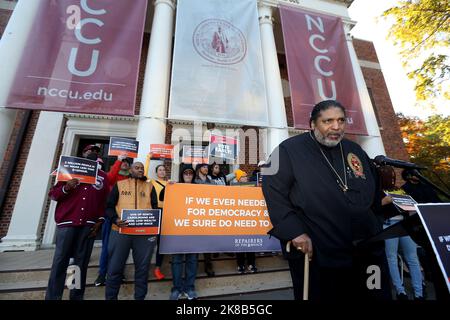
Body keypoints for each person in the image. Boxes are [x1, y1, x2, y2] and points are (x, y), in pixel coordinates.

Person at [262, 100, 391, 301]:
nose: (336, 127)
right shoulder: (286, 150)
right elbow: (272, 192)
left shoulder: (355, 150)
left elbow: (372, 192)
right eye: (328, 121)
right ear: (312, 124)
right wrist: (294, 231)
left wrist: (392, 204)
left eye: (341, 120)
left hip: (366, 250)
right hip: (320, 251)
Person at [45, 144, 109, 300]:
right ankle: (54, 296)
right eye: (89, 150)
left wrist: (99, 221)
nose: (93, 153)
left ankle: (75, 296)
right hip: (67, 223)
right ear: (83, 153)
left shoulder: (103, 176)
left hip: (88, 225)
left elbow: (104, 201)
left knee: (80, 264)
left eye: (96, 151)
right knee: (61, 262)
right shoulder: (68, 170)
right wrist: (66, 188)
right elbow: (53, 195)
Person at [105, 162, 157, 300]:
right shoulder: (119, 185)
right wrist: (115, 219)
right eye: (137, 167)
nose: (140, 169)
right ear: (130, 170)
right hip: (120, 231)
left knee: (142, 270)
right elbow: (109, 207)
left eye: (141, 168)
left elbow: (156, 209)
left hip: (144, 234)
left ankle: (139, 297)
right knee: (114, 269)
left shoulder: (149, 186)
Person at [378, 166, 424, 300]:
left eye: (393, 175)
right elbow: (374, 207)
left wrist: (410, 206)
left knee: (412, 258)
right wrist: (384, 201)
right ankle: (400, 291)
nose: (392, 178)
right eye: (388, 175)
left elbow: (409, 208)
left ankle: (419, 292)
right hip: (387, 225)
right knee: (391, 258)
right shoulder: (377, 191)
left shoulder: (399, 190)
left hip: (404, 225)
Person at [94, 154, 130, 287]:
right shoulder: (112, 176)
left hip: (124, 218)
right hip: (111, 218)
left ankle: (119, 273)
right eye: (123, 162)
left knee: (122, 249)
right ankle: (102, 274)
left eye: (127, 162)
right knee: (107, 248)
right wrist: (119, 160)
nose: (125, 163)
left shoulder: (129, 178)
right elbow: (109, 179)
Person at [170, 164, 199, 300]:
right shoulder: (175, 187)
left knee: (192, 260)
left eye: (190, 173)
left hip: (193, 230)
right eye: (186, 173)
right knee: (176, 260)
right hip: (177, 230)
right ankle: (176, 288)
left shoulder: (198, 188)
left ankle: (189, 287)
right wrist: (170, 186)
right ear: (182, 174)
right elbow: (164, 197)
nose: (188, 175)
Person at [234, 171, 258, 273]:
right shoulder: (233, 188)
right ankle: (240, 265)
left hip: (249, 220)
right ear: (239, 179)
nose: (246, 178)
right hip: (239, 221)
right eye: (244, 177)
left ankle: (251, 264)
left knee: (250, 244)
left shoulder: (252, 187)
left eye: (246, 176)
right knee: (239, 244)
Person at [194, 163, 215, 277]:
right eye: (204, 167)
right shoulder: (194, 181)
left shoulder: (211, 182)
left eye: (207, 167)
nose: (206, 169)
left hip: (208, 214)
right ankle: (194, 266)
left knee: (207, 243)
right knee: (196, 242)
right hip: (196, 214)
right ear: (198, 169)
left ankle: (208, 266)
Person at [150, 164, 168, 280]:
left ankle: (157, 268)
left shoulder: (170, 183)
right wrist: (148, 158)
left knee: (161, 243)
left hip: (167, 212)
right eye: (160, 170)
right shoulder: (151, 182)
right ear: (156, 172)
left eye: (163, 170)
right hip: (154, 212)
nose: (162, 172)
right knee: (150, 242)